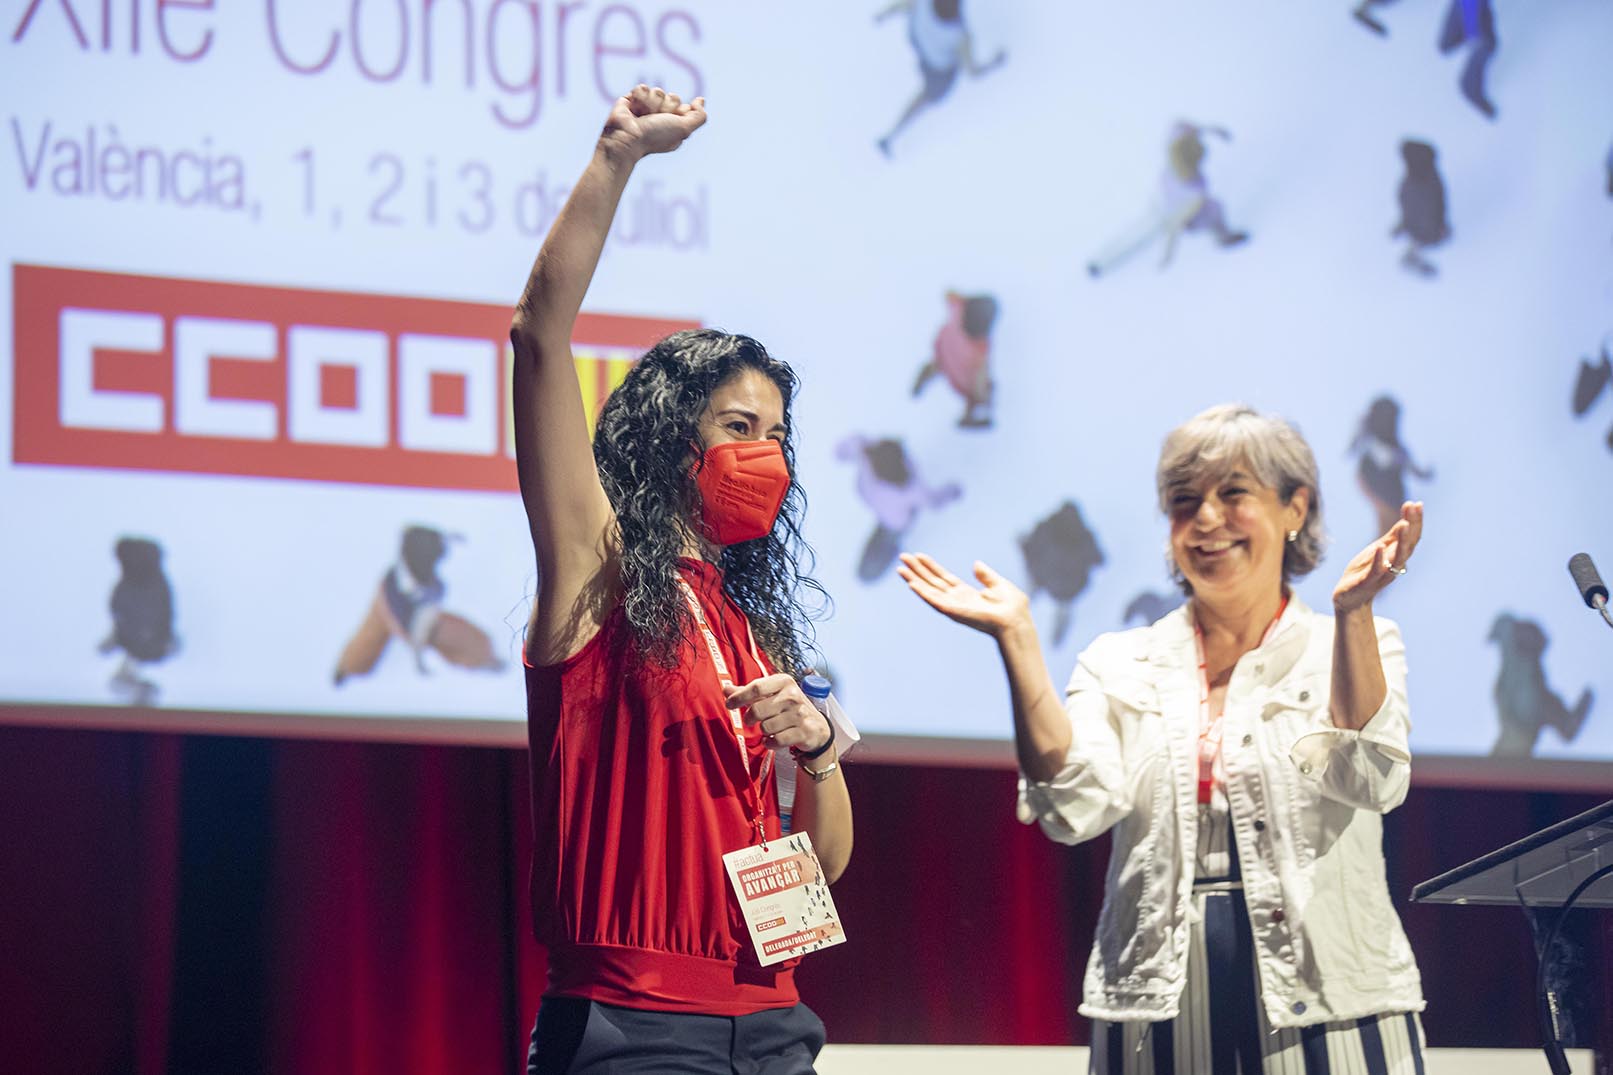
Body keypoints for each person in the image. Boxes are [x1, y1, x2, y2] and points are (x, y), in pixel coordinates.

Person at [899, 404, 1427, 1074]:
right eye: (1184, 502)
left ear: (1295, 508)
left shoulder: (1355, 641)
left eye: (1233, 493)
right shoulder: (1120, 660)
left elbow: (1372, 780)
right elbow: (1072, 807)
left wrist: (1353, 611)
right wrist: (1018, 642)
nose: (1205, 519)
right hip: (1156, 995)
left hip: (1334, 994)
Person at [510, 86, 854, 1074]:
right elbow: (538, 337)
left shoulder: (756, 627)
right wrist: (616, 159)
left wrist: (820, 753)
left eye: (777, 436)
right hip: (633, 1025)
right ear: (670, 439)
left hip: (776, 1021)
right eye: (737, 429)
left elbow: (816, 876)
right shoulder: (596, 569)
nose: (765, 455)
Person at [875, 0, 1006, 157]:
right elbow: (973, 72)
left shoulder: (922, 4)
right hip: (938, 71)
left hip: (918, 42)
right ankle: (892, 135)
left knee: (927, 92)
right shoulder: (960, 36)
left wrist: (882, 16)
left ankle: (891, 135)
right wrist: (995, 62)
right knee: (926, 97)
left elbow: (899, 8)